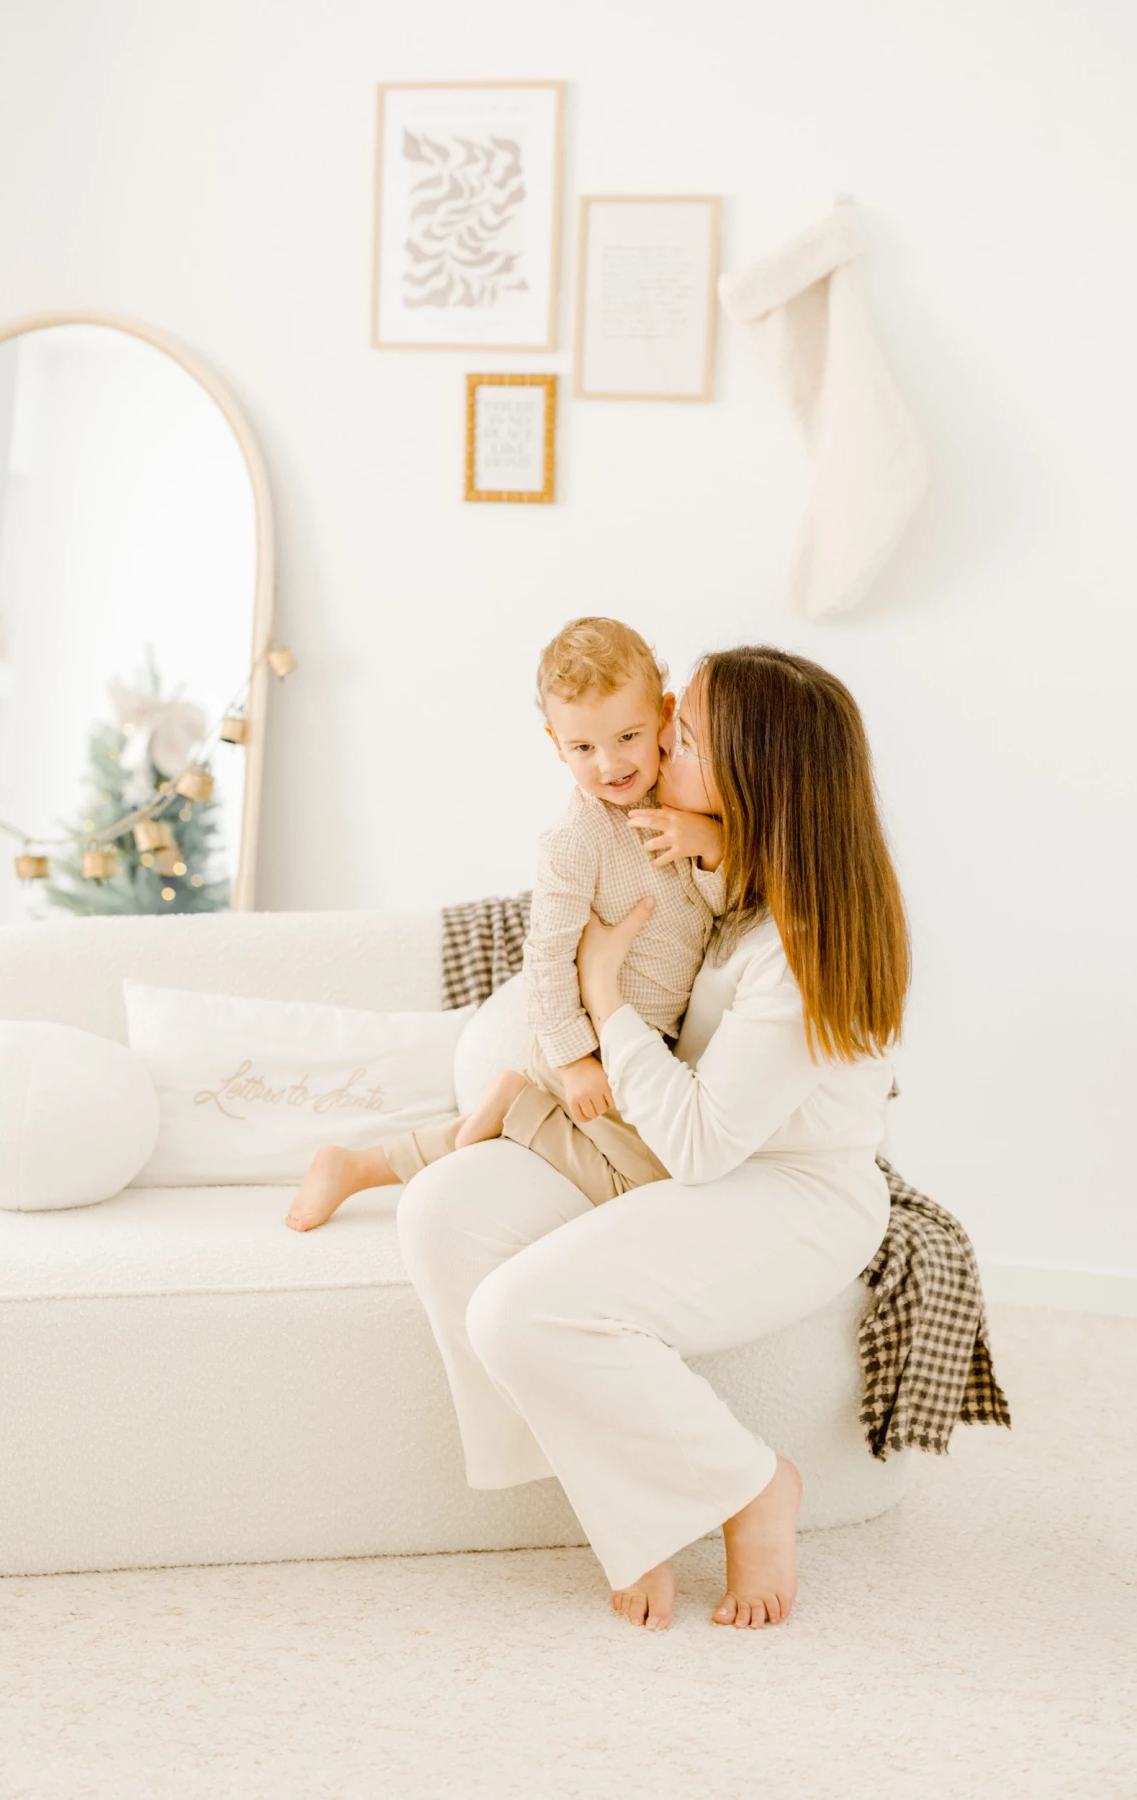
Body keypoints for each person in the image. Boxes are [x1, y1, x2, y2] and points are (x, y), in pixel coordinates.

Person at [393, 646, 909, 1631]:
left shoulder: (799, 944)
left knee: (518, 1313)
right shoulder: (733, 867)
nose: (654, 746)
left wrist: (600, 996)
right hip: (690, 1152)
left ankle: (751, 1486)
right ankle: (610, 1493)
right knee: (442, 1213)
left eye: (678, 736)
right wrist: (700, 837)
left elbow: (702, 1148)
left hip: (784, 1191)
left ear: (746, 777)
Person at [285, 617, 726, 1232]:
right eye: (583, 749)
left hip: (645, 1043)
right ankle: (520, 1101)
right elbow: (545, 957)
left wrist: (711, 845)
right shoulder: (577, 840)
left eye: (628, 735)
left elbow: (721, 906)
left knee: (644, 1160)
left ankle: (357, 1166)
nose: (610, 764)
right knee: (653, 1180)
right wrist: (574, 1061)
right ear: (556, 743)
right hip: (594, 1041)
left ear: (665, 715)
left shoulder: (681, 799)